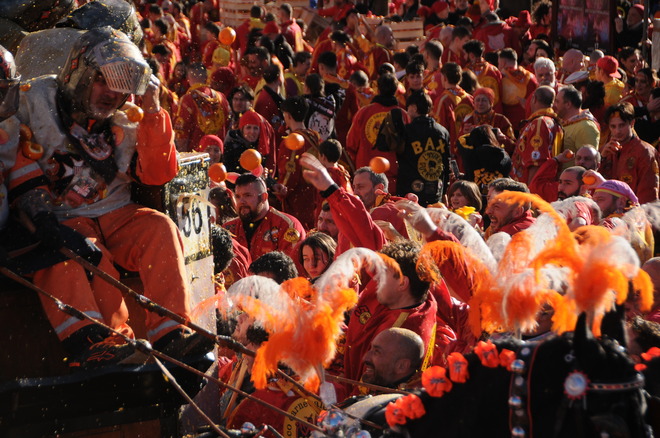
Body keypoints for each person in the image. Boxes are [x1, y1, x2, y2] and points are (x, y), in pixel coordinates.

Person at [1, 27, 213, 365]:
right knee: (85, 254)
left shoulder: (131, 118)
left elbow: (158, 175)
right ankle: (105, 343)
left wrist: (154, 112)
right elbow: (14, 156)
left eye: (121, 85)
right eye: (103, 80)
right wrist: (38, 212)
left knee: (160, 228)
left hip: (118, 212)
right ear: (78, 72)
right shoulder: (34, 99)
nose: (112, 93)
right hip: (64, 219)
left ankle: (172, 332)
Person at [223, 173, 305, 261]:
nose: (241, 201)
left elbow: (292, 266)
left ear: (264, 197)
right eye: (238, 196)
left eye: (247, 195)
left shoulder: (287, 225)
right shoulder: (228, 229)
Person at [346, 74, 405, 191]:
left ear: (377, 90)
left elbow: (351, 144)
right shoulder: (403, 115)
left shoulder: (363, 112)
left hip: (365, 178)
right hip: (392, 179)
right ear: (395, 91)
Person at [393, 92, 451, 206]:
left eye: (408, 108)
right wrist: (444, 191)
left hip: (410, 192)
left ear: (414, 108)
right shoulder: (443, 131)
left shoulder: (407, 131)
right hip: (435, 191)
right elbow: (446, 163)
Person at [599, 102, 659, 204]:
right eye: (613, 126)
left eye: (622, 125)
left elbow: (649, 193)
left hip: (635, 210)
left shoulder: (645, 151)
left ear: (632, 123)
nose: (617, 131)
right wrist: (602, 158)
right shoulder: (606, 150)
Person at [277, 96, 322, 230]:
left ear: (288, 115)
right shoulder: (315, 136)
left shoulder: (292, 141)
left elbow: (289, 174)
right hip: (314, 193)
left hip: (297, 199)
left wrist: (280, 191)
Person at [512, 86, 563, 184]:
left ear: (534, 99)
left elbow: (536, 161)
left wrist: (530, 190)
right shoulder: (552, 122)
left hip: (529, 186)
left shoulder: (540, 123)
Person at [174, 62, 230, 152]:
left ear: (188, 78)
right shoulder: (221, 97)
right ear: (206, 77)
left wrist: (182, 154)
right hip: (217, 152)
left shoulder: (187, 99)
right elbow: (228, 123)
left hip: (196, 154)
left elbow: (182, 131)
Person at [360, 328, 425, 390]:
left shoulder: (416, 396)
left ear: (402, 366)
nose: (365, 358)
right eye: (371, 348)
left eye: (377, 351)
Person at [458, 87, 515, 156]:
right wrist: (464, 134)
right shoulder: (468, 120)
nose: (480, 103)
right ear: (474, 103)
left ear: (491, 103)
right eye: (477, 100)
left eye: (484, 100)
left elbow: (513, 146)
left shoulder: (501, 120)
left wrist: (503, 139)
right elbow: (457, 146)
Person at [554, 85, 600, 169]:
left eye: (557, 102)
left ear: (568, 104)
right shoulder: (563, 124)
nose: (554, 105)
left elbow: (589, 163)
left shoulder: (585, 127)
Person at [432, 62, 474, 148]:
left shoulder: (442, 101)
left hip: (453, 148)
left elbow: (439, 128)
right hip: (470, 146)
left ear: (444, 78)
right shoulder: (470, 98)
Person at [223, 109, 276, 174]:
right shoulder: (231, 147)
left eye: (255, 128)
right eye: (248, 127)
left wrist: (264, 176)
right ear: (242, 129)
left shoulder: (261, 147)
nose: (252, 132)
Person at [499, 48, 538, 131]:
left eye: (499, 63)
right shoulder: (531, 78)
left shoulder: (500, 79)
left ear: (503, 63)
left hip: (507, 127)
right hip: (528, 126)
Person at [463, 39, 503, 111]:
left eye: (465, 54)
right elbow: (500, 93)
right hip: (494, 111)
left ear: (471, 55)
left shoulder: (466, 72)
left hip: (475, 112)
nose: (464, 57)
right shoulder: (494, 70)